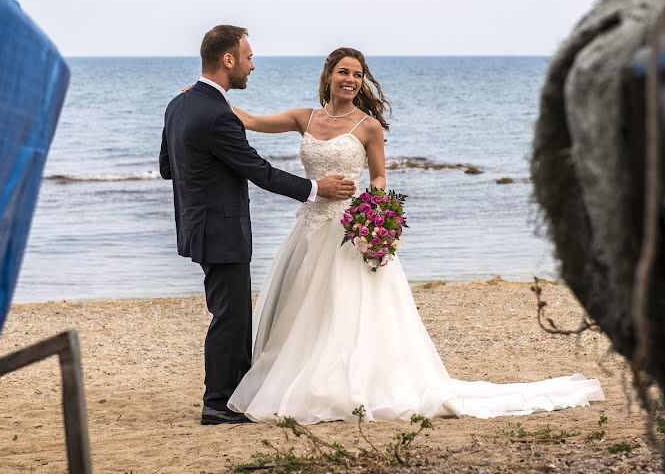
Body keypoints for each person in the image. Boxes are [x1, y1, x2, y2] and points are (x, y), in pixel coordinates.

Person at [225, 47, 605, 423]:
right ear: (328, 76)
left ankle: (348, 383)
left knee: (348, 309)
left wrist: (372, 215)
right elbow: (251, 120)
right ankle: (294, 375)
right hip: (309, 226)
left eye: (357, 75)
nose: (350, 80)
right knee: (302, 306)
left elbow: (378, 178)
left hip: (350, 229)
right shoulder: (303, 117)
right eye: (344, 72)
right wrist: (212, 93)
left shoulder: (368, 126)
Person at [158, 26, 357, 426]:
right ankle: (217, 402)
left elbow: (168, 168)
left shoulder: (178, 105)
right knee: (230, 315)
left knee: (228, 312)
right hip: (222, 229)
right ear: (228, 60)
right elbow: (257, 170)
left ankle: (233, 395)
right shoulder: (215, 114)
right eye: (248, 57)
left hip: (196, 226)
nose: (252, 65)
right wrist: (316, 188)